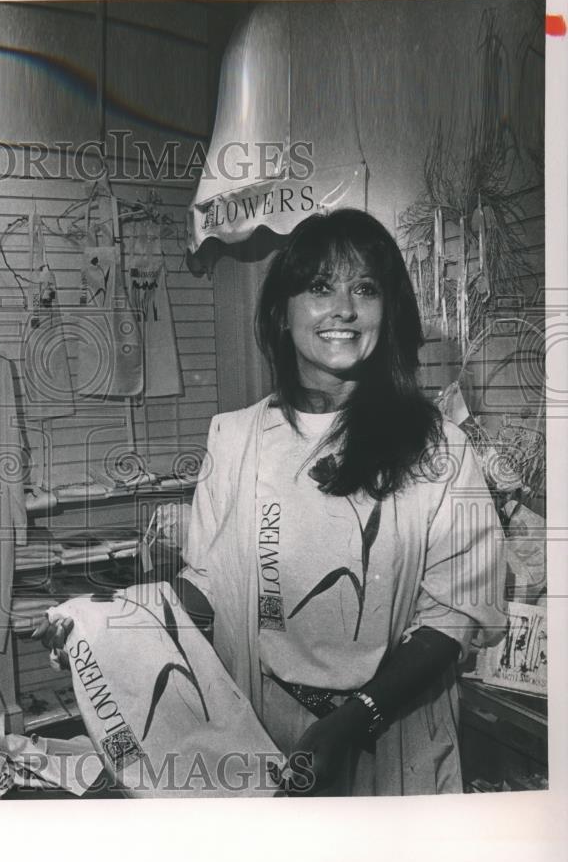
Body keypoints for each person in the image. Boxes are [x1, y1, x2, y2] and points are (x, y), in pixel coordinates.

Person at [35, 208, 507, 796]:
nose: (344, 309)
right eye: (319, 287)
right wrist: (104, 627)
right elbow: (209, 591)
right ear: (283, 312)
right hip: (262, 732)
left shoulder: (439, 446)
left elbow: (454, 615)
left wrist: (353, 720)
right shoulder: (234, 439)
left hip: (392, 739)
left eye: (365, 288)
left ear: (388, 311)